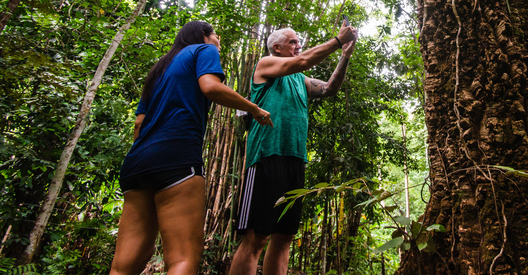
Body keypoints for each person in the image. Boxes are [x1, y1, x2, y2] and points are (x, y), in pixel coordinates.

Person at [110, 20, 274, 275]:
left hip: (137, 162)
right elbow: (210, 86)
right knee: (182, 259)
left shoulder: (159, 68)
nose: (219, 44)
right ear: (204, 35)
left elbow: (139, 123)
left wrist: (148, 155)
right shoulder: (203, 50)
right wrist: (253, 108)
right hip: (176, 156)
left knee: (124, 265)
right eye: (217, 37)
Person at [229, 24, 357, 275]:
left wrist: (345, 56)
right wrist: (337, 40)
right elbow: (303, 61)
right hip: (266, 156)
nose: (299, 46)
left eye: (299, 42)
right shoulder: (265, 64)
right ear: (276, 48)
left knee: (284, 236)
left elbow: (329, 88)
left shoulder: (301, 79)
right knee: (257, 236)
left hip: (295, 159)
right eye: (293, 42)